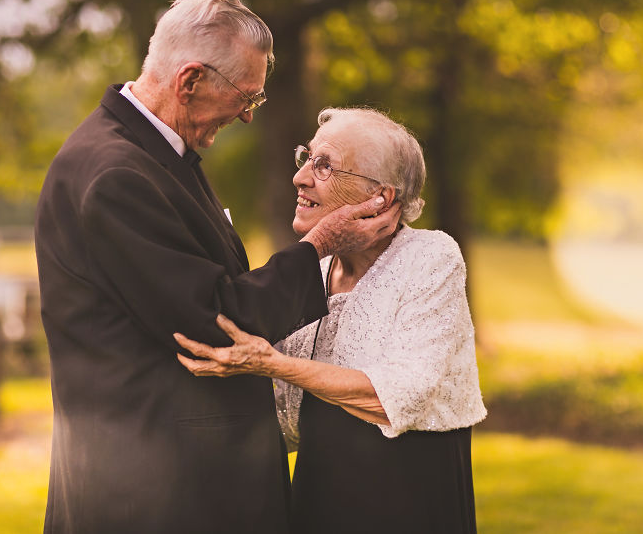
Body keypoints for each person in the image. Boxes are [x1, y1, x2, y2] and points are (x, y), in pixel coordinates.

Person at [34, 0, 399, 534]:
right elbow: (215, 324)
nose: (250, 113)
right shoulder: (116, 176)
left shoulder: (154, 153)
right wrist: (319, 246)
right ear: (190, 81)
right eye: (245, 96)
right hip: (155, 490)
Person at [176, 107, 487, 534]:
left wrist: (273, 363)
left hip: (410, 502)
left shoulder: (430, 257)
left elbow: (398, 398)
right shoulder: (313, 272)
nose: (300, 177)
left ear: (381, 198)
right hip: (319, 498)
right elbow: (271, 406)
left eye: (325, 166)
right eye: (306, 157)